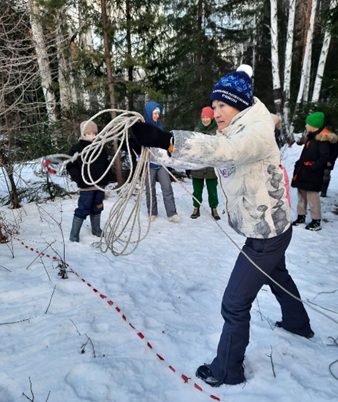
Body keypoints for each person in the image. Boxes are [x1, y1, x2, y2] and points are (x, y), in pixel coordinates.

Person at [132, 65, 314, 387]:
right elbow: (206, 156)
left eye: (222, 105)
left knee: (234, 303)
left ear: (240, 103)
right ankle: (298, 323)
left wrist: (169, 139)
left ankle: (227, 370)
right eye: (213, 106)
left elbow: (227, 152)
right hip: (272, 228)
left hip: (265, 235)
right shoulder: (234, 127)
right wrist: (160, 148)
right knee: (278, 276)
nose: (216, 112)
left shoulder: (254, 133)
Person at [67, 121, 113, 242]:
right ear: (83, 134)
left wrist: (107, 177)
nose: (92, 136)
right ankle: (74, 233)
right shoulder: (76, 149)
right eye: (88, 134)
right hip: (86, 186)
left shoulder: (100, 147)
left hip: (99, 185)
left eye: (94, 133)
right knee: (83, 207)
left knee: (98, 206)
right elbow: (71, 165)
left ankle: (96, 228)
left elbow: (106, 163)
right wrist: (78, 178)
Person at [291, 112, 338, 231]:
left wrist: (311, 168)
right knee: (301, 195)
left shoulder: (321, 140)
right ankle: (301, 217)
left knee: (312, 197)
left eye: (308, 123)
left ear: (313, 125)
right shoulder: (311, 137)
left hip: (312, 173)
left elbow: (323, 159)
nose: (306, 125)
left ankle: (316, 221)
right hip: (303, 171)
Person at [143, 101, 180, 223]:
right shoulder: (143, 127)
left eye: (158, 113)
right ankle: (152, 212)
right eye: (154, 113)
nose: (157, 116)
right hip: (149, 163)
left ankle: (172, 213)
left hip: (161, 163)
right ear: (149, 113)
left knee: (167, 187)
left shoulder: (160, 127)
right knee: (150, 189)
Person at [190, 107, 220, 220]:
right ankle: (196, 208)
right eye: (204, 117)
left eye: (208, 117)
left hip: (212, 166)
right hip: (198, 165)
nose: (206, 120)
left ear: (211, 118)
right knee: (197, 189)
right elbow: (192, 147)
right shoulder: (196, 130)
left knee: (212, 190)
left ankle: (214, 209)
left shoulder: (217, 130)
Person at [320, 127, 338, 197]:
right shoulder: (321, 137)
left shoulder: (334, 139)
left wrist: (331, 160)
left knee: (326, 175)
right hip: (320, 159)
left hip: (328, 160)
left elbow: (336, 151)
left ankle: (323, 192)